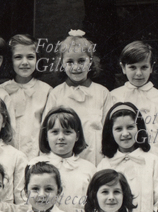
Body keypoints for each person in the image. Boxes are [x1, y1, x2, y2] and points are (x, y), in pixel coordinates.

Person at [42, 30, 109, 165]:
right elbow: (47, 128)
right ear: (62, 63)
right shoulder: (57, 94)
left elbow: (110, 128)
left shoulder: (102, 93)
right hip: (65, 157)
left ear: (90, 62)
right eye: (70, 62)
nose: (76, 67)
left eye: (81, 61)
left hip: (96, 157)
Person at [97, 102, 158, 212]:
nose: (125, 133)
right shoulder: (104, 164)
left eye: (130, 127)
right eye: (118, 129)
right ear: (110, 132)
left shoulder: (152, 161)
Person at [104, 41, 158, 159]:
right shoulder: (114, 96)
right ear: (123, 68)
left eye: (144, 67)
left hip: (151, 158)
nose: (139, 73)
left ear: (151, 67)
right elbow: (107, 132)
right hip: (121, 158)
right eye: (132, 67)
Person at [34, 106, 95, 212]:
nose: (61, 137)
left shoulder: (89, 168)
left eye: (67, 132)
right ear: (46, 135)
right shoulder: (35, 165)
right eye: (55, 132)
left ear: (77, 136)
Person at [0, 34, 53, 160]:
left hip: (36, 155)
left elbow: (47, 127)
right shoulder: (2, 91)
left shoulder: (46, 91)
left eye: (30, 57)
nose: (24, 62)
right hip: (6, 155)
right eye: (18, 57)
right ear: (10, 60)